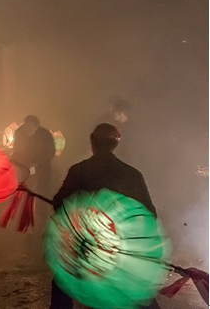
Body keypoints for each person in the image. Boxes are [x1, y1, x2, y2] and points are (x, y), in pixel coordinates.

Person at [50, 123, 159, 309]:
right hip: (121, 246)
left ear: (92, 142)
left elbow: (60, 204)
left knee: (62, 281)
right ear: (115, 144)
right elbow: (149, 214)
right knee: (138, 290)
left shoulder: (79, 171)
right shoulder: (132, 174)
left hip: (85, 245)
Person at [12, 115, 56, 191]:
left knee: (41, 190)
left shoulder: (45, 135)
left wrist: (35, 162)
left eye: (30, 127)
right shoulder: (19, 132)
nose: (27, 130)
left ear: (37, 127)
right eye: (26, 127)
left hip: (42, 168)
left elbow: (50, 152)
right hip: (24, 167)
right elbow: (17, 149)